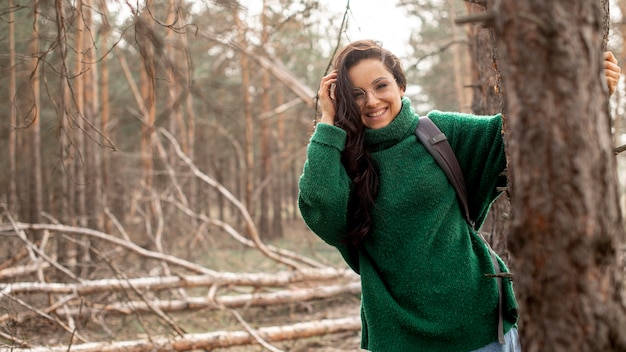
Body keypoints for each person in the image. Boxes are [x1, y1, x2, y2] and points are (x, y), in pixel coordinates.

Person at [298, 40, 621, 351]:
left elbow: (522, 136)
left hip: (481, 331)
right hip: (400, 340)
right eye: (356, 94)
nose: (371, 101)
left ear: (400, 86)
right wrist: (328, 120)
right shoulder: (342, 161)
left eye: (381, 86)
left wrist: (583, 95)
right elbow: (322, 211)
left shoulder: (437, 133)